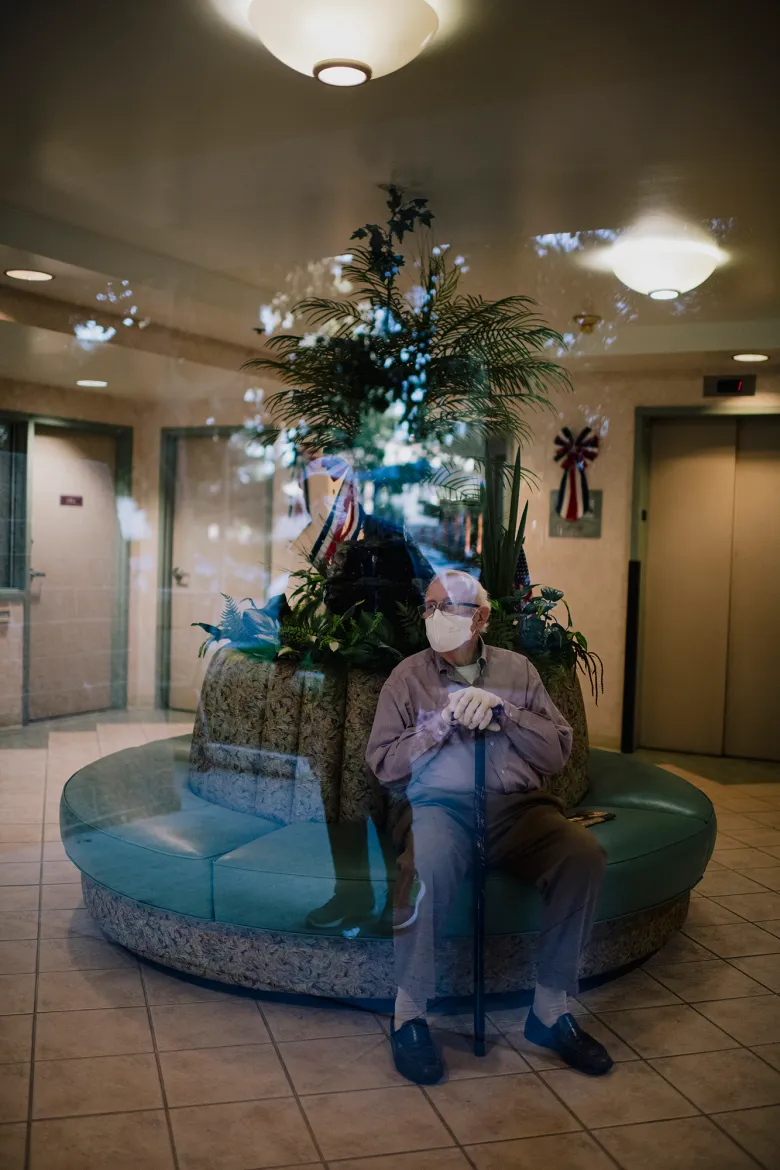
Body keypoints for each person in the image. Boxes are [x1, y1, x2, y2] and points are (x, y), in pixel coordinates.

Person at [366, 569, 613, 1084]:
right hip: (438, 808)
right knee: (426, 866)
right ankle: (409, 1013)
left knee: (582, 854)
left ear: (479, 617)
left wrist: (508, 715)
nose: (434, 618)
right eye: (428, 607)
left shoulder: (519, 671)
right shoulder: (407, 677)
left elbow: (557, 753)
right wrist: (436, 727)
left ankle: (548, 1008)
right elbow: (384, 766)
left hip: (520, 809)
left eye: (447, 607)